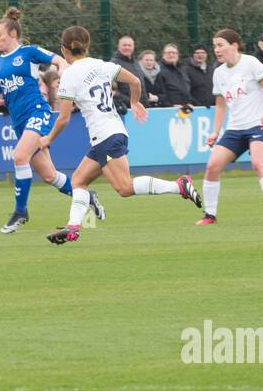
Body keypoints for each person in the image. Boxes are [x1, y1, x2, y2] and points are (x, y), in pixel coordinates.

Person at [42, 25, 201, 245]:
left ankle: (179, 186)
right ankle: (73, 227)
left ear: (64, 50)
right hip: (111, 133)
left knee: (124, 188)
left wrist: (47, 139)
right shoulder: (102, 65)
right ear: (87, 46)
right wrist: (135, 102)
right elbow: (135, 81)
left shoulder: (69, 75)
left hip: (105, 136)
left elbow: (63, 118)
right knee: (78, 180)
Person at [0, 7, 101, 233]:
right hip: (19, 122)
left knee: (19, 157)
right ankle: (86, 197)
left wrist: (67, 74)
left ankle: (20, 212)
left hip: (37, 112)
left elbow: (59, 60)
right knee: (49, 175)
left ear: (13, 35)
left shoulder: (28, 52)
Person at [195, 29, 263, 226]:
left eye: (220, 45)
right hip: (234, 129)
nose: (216, 50)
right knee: (212, 166)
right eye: (214, 46)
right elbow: (220, 104)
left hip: (257, 126)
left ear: (234, 45)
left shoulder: (250, 63)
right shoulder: (219, 73)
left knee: (259, 164)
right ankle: (210, 215)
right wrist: (215, 131)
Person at [109, 35, 146, 114]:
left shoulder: (136, 64)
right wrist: (129, 102)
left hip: (141, 109)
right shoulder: (113, 64)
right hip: (125, 111)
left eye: (129, 45)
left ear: (133, 47)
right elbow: (113, 90)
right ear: (118, 47)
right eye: (124, 45)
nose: (127, 47)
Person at [155, 44, 194, 108]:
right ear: (163, 55)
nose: (171, 55)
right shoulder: (158, 69)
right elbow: (159, 93)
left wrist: (190, 102)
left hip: (185, 109)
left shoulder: (183, 69)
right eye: (168, 53)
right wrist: (171, 106)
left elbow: (188, 89)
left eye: (174, 53)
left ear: (178, 55)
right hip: (168, 111)